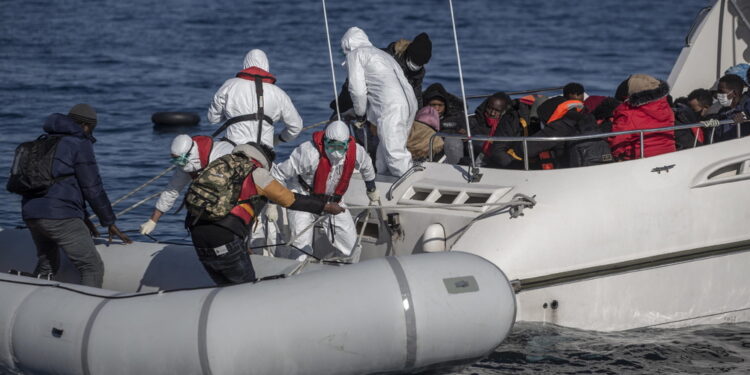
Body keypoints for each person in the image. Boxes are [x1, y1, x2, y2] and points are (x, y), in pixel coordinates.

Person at [186, 143, 345, 285]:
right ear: (265, 161)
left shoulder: (221, 164)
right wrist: (326, 206)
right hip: (224, 238)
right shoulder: (257, 173)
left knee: (225, 289)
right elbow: (290, 200)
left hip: (197, 234)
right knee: (245, 289)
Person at [19, 104, 131, 288]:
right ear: (85, 126)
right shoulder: (79, 143)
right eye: (92, 128)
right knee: (91, 267)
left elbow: (64, 186)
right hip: (60, 215)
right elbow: (92, 187)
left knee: (48, 264)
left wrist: (84, 218)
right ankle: (86, 311)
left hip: (32, 213)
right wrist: (109, 222)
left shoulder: (43, 141)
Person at [271, 121, 378, 261]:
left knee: (352, 247)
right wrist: (272, 202)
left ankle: (345, 274)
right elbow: (279, 173)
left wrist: (372, 190)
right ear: (324, 141)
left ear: (347, 144)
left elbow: (367, 167)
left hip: (334, 202)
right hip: (304, 199)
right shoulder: (308, 153)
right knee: (301, 249)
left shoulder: (357, 152)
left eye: (340, 146)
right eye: (331, 145)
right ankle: (297, 276)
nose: (335, 150)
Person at [341, 26, 418, 176]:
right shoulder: (383, 54)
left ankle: (410, 184)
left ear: (347, 45)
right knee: (385, 150)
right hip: (409, 103)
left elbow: (357, 90)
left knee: (394, 153)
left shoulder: (355, 55)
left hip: (391, 106)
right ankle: (383, 178)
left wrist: (360, 114)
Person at [139, 134, 235, 235]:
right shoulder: (185, 165)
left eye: (179, 159)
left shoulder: (219, 157)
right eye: (174, 160)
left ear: (190, 154)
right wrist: (153, 221)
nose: (178, 164)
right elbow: (171, 191)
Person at [207, 49, 303, 148]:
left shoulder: (229, 85)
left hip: (232, 149)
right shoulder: (279, 93)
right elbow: (296, 127)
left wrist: (231, 113)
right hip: (263, 153)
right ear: (266, 66)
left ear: (245, 65)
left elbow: (213, 119)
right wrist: (279, 139)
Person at [608, 74, 675, 160]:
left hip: (641, 161)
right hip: (669, 157)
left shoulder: (628, 114)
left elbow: (617, 145)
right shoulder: (667, 109)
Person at [466, 92, 524, 168]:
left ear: (504, 111)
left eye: (497, 110)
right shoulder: (476, 120)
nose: (492, 113)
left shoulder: (510, 125)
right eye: (490, 108)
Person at [422, 83, 467, 164]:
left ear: (445, 105)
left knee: (454, 141)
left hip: (449, 153)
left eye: (440, 105)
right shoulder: (419, 117)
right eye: (433, 105)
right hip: (426, 154)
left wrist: (465, 132)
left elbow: (468, 130)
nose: (437, 109)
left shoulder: (457, 116)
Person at [712, 74, 750, 142]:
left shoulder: (747, 105)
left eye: (721, 91)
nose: (718, 95)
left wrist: (746, 116)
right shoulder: (722, 112)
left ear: (734, 93)